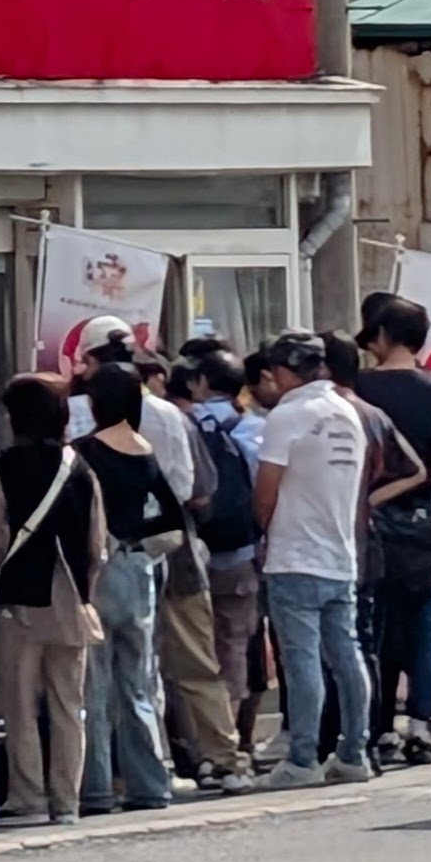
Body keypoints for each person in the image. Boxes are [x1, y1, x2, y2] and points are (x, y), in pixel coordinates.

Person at [0, 377, 106, 825]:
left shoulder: (1, 469)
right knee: (68, 705)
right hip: (72, 601)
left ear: (15, 417)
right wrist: (86, 591)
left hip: (19, 601)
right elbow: (97, 545)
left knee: (20, 705)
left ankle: (28, 797)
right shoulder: (80, 468)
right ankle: (67, 799)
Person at [251, 336, 379, 783]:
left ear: (284, 371)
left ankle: (303, 758)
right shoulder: (347, 413)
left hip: (294, 554)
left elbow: (265, 491)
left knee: (301, 659)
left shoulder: (287, 416)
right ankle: (354, 752)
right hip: (339, 552)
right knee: (347, 655)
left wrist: (263, 530)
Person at [356, 298, 431, 766]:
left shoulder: (360, 389)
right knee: (424, 624)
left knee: (376, 625)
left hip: (369, 517)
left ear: (383, 335)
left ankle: (380, 725)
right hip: (421, 522)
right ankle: (422, 726)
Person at [72, 347, 189, 812]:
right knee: (138, 683)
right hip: (139, 568)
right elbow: (172, 517)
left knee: (93, 685)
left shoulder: (83, 452)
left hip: (96, 571)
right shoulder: (144, 450)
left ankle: (97, 788)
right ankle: (149, 784)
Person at [181, 343, 271, 783]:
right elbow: (264, 493)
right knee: (234, 649)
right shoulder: (255, 429)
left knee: (191, 652)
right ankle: (229, 744)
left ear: (200, 383)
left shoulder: (182, 422)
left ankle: (198, 749)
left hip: (189, 555)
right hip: (240, 556)